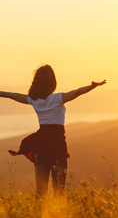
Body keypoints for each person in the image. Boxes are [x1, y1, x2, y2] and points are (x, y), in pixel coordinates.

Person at [0, 64, 106, 197]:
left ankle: (38, 215)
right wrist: (92, 86)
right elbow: (77, 92)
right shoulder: (58, 99)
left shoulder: (33, 100)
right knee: (59, 189)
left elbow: (11, 95)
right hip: (57, 145)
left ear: (37, 83)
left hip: (42, 145)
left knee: (41, 191)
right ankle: (58, 214)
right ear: (53, 83)